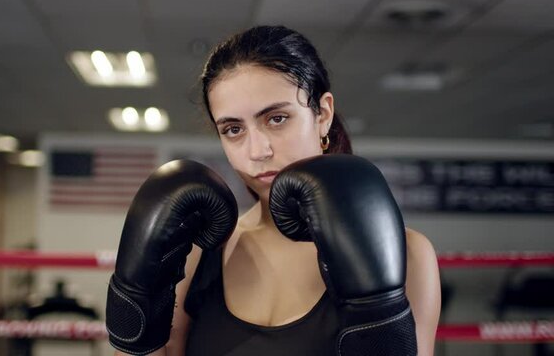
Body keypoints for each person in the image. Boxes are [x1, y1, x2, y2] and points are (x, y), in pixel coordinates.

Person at [108, 25, 441, 356]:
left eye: (277, 118)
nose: (257, 150)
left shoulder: (407, 253)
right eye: (233, 129)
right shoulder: (198, 253)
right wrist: (134, 311)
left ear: (322, 114)